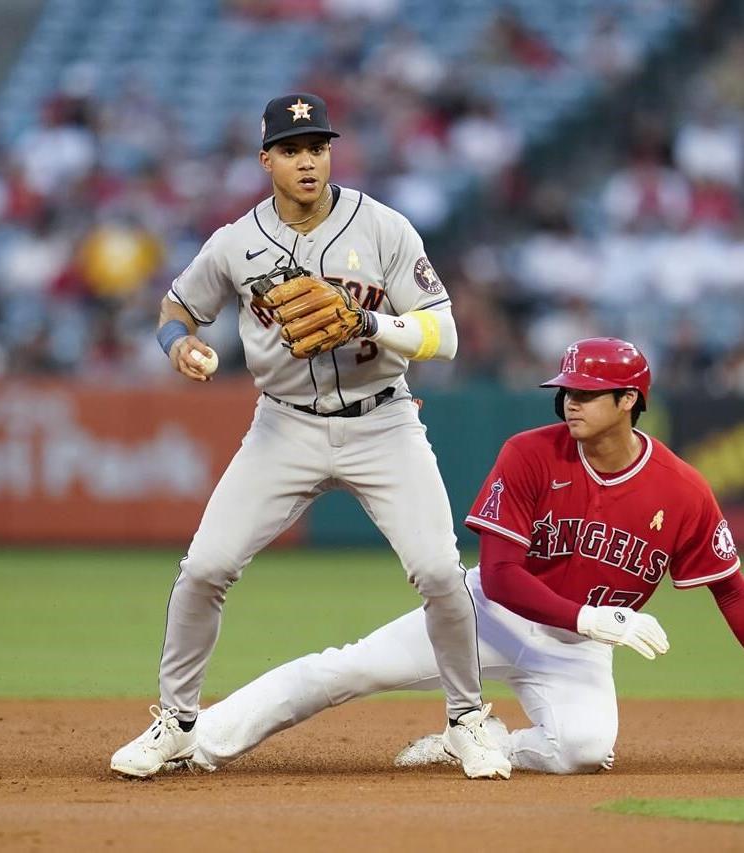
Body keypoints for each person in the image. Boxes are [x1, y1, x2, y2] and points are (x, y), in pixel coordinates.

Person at [110, 93, 510, 780]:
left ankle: (467, 719)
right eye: (292, 149)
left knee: (441, 572)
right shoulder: (236, 241)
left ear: (331, 153)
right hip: (283, 425)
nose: (307, 160)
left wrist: (370, 325)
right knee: (205, 567)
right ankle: (175, 724)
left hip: (382, 419)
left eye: (317, 146)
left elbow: (442, 332)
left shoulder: (383, 228)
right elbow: (177, 308)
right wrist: (180, 346)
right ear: (266, 158)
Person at [145, 337, 743, 776]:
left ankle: (483, 741)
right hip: (487, 616)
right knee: (350, 669)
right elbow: (504, 577)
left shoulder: (681, 489)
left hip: (577, 650)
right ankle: (198, 741)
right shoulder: (531, 453)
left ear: (629, 399)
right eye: (566, 391)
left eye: (586, 394)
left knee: (585, 752)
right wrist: (592, 617)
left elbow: (731, 590)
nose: (569, 402)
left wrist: (588, 628)